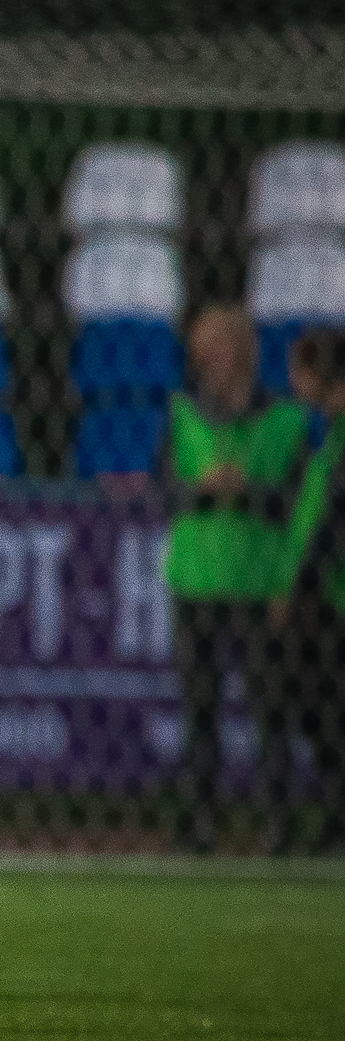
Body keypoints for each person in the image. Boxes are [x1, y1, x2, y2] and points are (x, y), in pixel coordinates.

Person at [164, 304, 309, 853]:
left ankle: (279, 823)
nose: (212, 363)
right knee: (199, 711)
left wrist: (248, 491)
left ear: (246, 354)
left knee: (269, 709)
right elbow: (165, 492)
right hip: (196, 578)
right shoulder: (181, 414)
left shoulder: (285, 421)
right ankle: (200, 823)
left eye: (223, 351)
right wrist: (201, 488)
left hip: (258, 581)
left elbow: (301, 500)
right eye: (205, 353)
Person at [271, 328, 345, 855]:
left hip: (329, 596)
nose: (293, 381)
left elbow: (332, 522)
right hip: (322, 591)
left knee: (318, 705)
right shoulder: (329, 433)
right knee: (313, 706)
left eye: (300, 370)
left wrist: (298, 588)